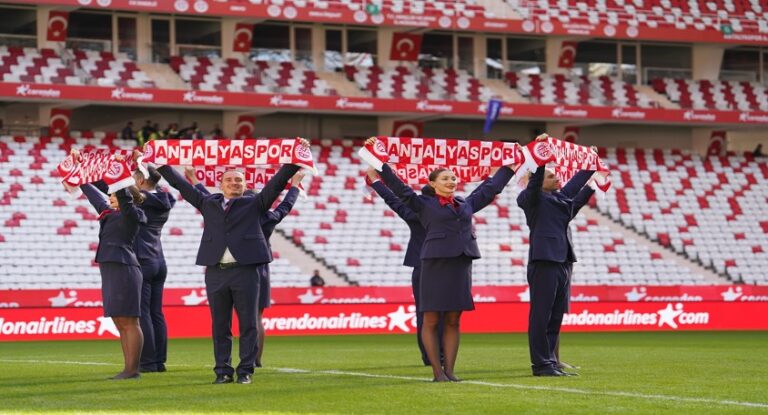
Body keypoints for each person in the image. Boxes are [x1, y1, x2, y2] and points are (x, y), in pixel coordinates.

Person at [155, 138, 307, 385]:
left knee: (248, 325)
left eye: (238, 180)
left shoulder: (255, 203)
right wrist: (160, 163)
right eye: (229, 180)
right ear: (221, 185)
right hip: (215, 270)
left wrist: (294, 159)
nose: (234, 183)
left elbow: (277, 183)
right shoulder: (208, 202)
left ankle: (245, 370)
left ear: (245, 185)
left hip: (246, 271)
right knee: (220, 326)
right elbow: (180, 185)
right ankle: (222, 371)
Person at [371, 137, 518, 382]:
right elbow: (399, 189)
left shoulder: (465, 203)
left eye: (453, 178)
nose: (451, 181)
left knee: (453, 319)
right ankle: (437, 372)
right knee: (431, 318)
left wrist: (509, 168)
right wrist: (380, 164)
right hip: (434, 264)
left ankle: (450, 370)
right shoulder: (422, 203)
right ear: (432, 183)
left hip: (461, 264)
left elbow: (489, 189)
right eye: (445, 178)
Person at [186, 167, 305, 369]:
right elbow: (284, 207)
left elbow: (207, 199)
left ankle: (247, 362)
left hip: (247, 266)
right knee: (253, 318)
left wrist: (195, 180)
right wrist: (294, 187)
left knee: (242, 320)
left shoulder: (234, 212)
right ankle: (254, 359)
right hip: (257, 266)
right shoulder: (265, 216)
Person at [516, 134, 596, 377]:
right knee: (541, 315)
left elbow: (576, 187)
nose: (557, 176)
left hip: (563, 261)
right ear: (538, 182)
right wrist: (541, 157)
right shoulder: (531, 199)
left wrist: (591, 164)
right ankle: (540, 364)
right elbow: (537, 178)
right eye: (551, 175)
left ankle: (550, 361)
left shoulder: (560, 199)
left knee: (555, 315)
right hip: (544, 261)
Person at [366, 167, 445, 367]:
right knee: (444, 311)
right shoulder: (445, 211)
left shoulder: (413, 213)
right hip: (444, 264)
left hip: (421, 264)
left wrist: (376, 181)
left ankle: (429, 356)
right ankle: (442, 353)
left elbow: (392, 200)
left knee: (424, 312)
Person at [78, 152, 147, 380]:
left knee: (129, 320)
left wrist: (119, 172)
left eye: (114, 195)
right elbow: (91, 194)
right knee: (119, 320)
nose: (109, 198)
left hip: (124, 268)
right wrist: (78, 171)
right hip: (112, 268)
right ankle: (128, 369)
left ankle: (132, 369)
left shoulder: (132, 214)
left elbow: (124, 198)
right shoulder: (108, 213)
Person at [130, 152, 176, 373]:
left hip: (142, 259)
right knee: (157, 312)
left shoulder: (141, 198)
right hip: (159, 260)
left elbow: (118, 190)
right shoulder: (165, 198)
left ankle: (147, 361)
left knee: (144, 312)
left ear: (140, 181)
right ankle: (159, 360)